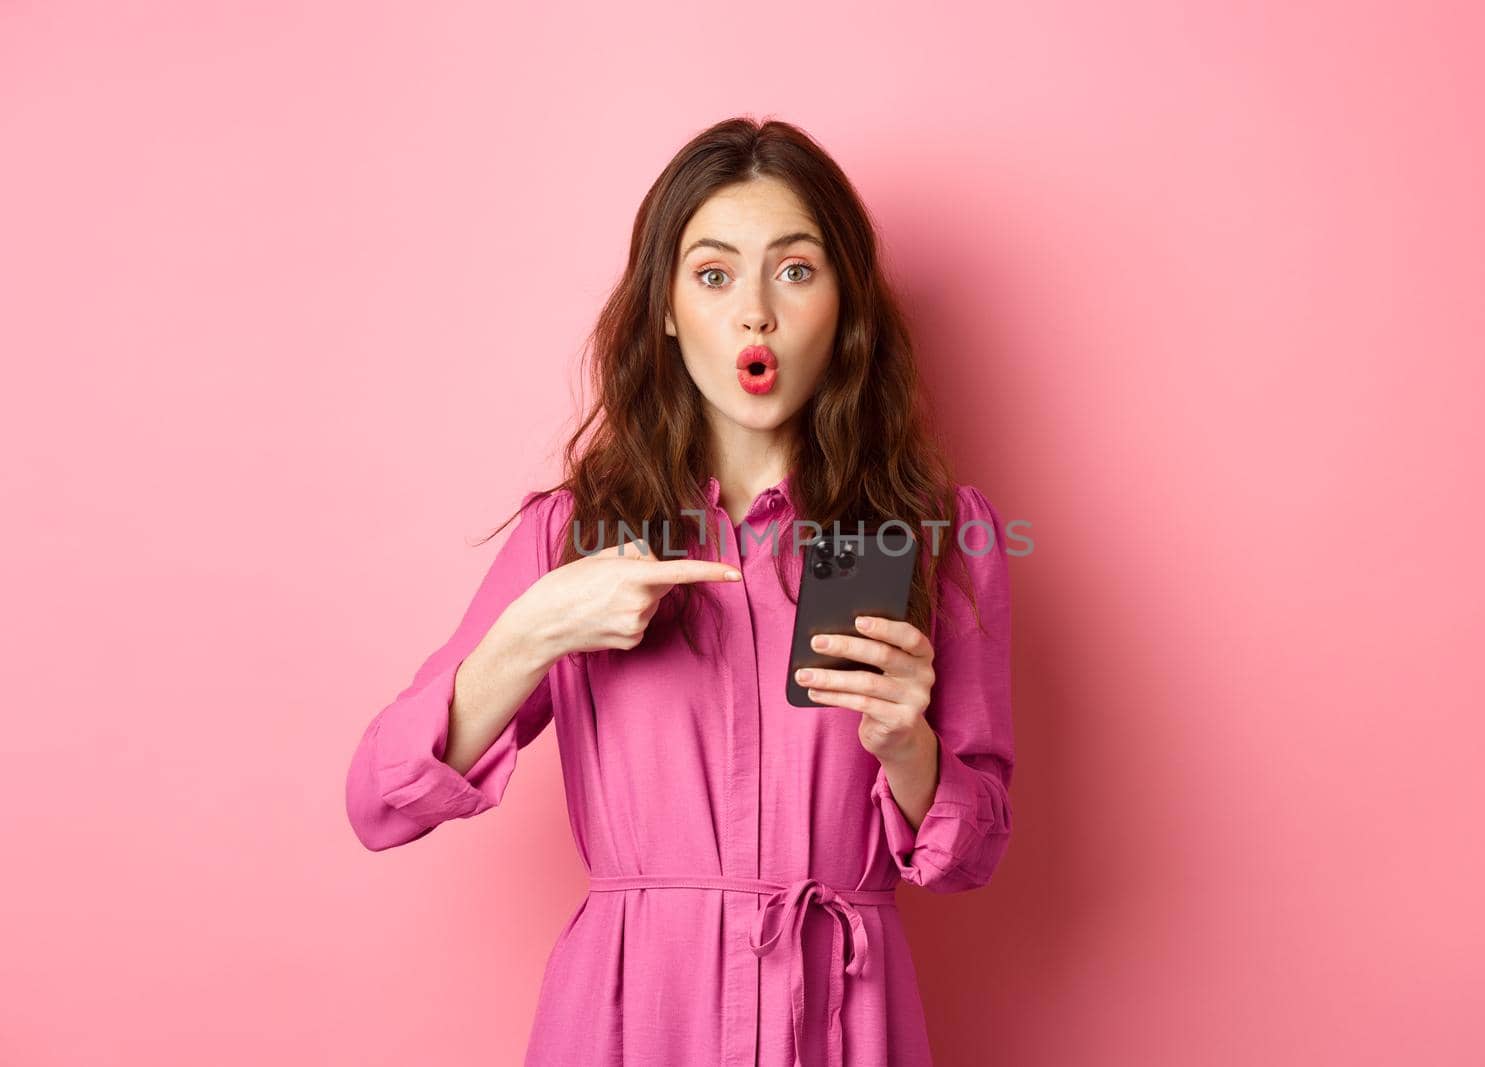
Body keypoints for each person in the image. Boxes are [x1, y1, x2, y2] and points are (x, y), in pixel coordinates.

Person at [344, 116, 1016, 1067]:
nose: (755, 313)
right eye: (713, 274)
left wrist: (909, 746)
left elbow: (973, 854)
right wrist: (531, 633)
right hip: (629, 1020)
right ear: (665, 309)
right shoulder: (571, 536)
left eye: (795, 269)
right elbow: (379, 802)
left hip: (839, 1021)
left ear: (846, 302)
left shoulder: (943, 535)